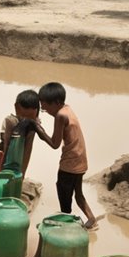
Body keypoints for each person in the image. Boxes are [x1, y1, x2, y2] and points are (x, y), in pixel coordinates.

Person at [35, 82, 96, 229]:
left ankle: (66, 224)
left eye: (45, 107)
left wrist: (38, 129)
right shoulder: (67, 109)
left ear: (56, 103)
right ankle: (91, 219)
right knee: (78, 194)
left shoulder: (61, 116)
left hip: (70, 163)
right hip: (80, 160)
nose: (46, 111)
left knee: (64, 195)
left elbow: (55, 144)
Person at [0, 89, 40, 175]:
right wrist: (0, 168)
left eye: (30, 117)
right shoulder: (10, 121)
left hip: (18, 160)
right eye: (24, 116)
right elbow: (5, 145)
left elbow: (28, 150)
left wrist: (23, 173)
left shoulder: (32, 125)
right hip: (4, 158)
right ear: (16, 108)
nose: (26, 120)